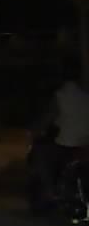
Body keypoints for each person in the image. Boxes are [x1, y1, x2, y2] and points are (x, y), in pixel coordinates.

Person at [32, 59, 89, 200]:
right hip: (85, 145)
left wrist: (35, 130)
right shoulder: (85, 95)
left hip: (67, 145)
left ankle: (51, 191)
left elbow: (47, 119)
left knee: (41, 154)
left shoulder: (60, 95)